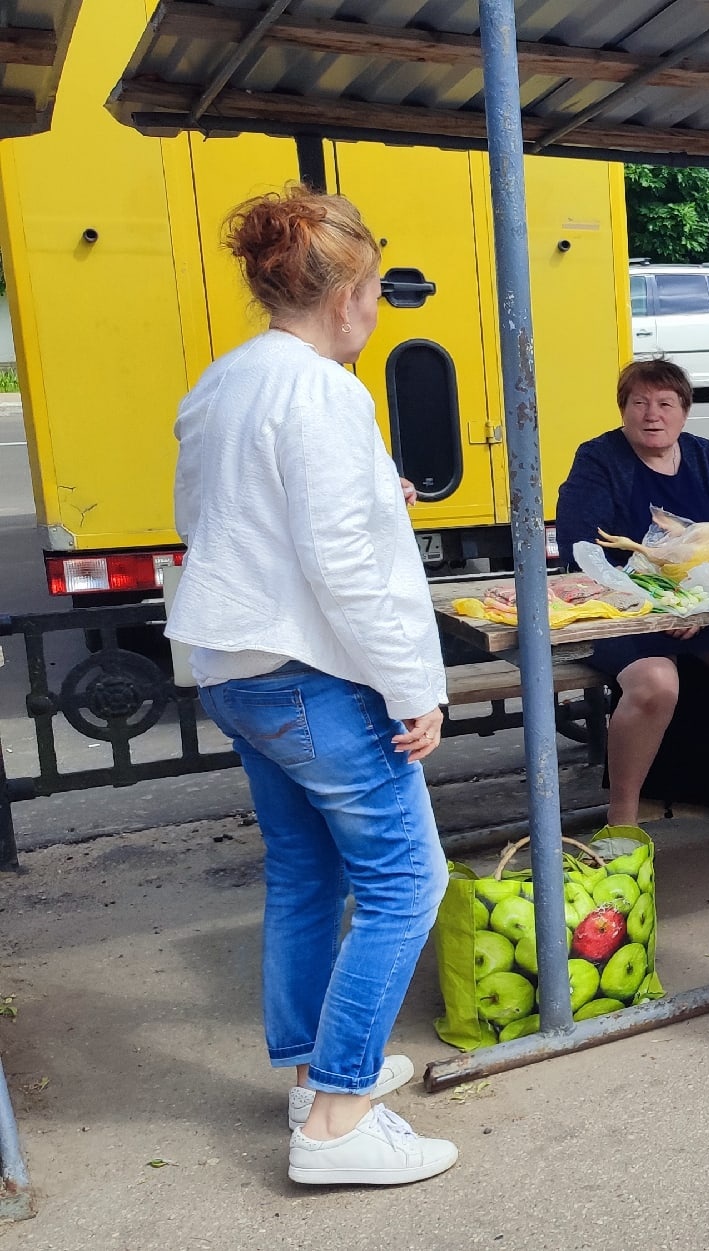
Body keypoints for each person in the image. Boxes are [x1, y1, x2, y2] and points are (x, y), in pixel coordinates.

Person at [166, 185, 457, 1185]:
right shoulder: (327, 391)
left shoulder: (222, 383)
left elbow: (225, 517)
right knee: (408, 884)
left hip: (236, 669)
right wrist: (414, 686)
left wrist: (378, 496)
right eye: (375, 290)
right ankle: (336, 1119)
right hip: (310, 675)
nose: (377, 309)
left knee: (305, 875)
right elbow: (342, 565)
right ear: (345, 296)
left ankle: (311, 1076)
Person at [556, 359, 709, 830]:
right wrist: (663, 605)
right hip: (624, 608)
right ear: (623, 408)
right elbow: (583, 551)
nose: (652, 415)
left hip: (704, 607)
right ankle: (622, 821)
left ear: (685, 411)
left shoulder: (702, 455)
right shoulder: (599, 459)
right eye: (639, 403)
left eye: (665, 404)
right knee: (657, 684)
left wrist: (701, 604)